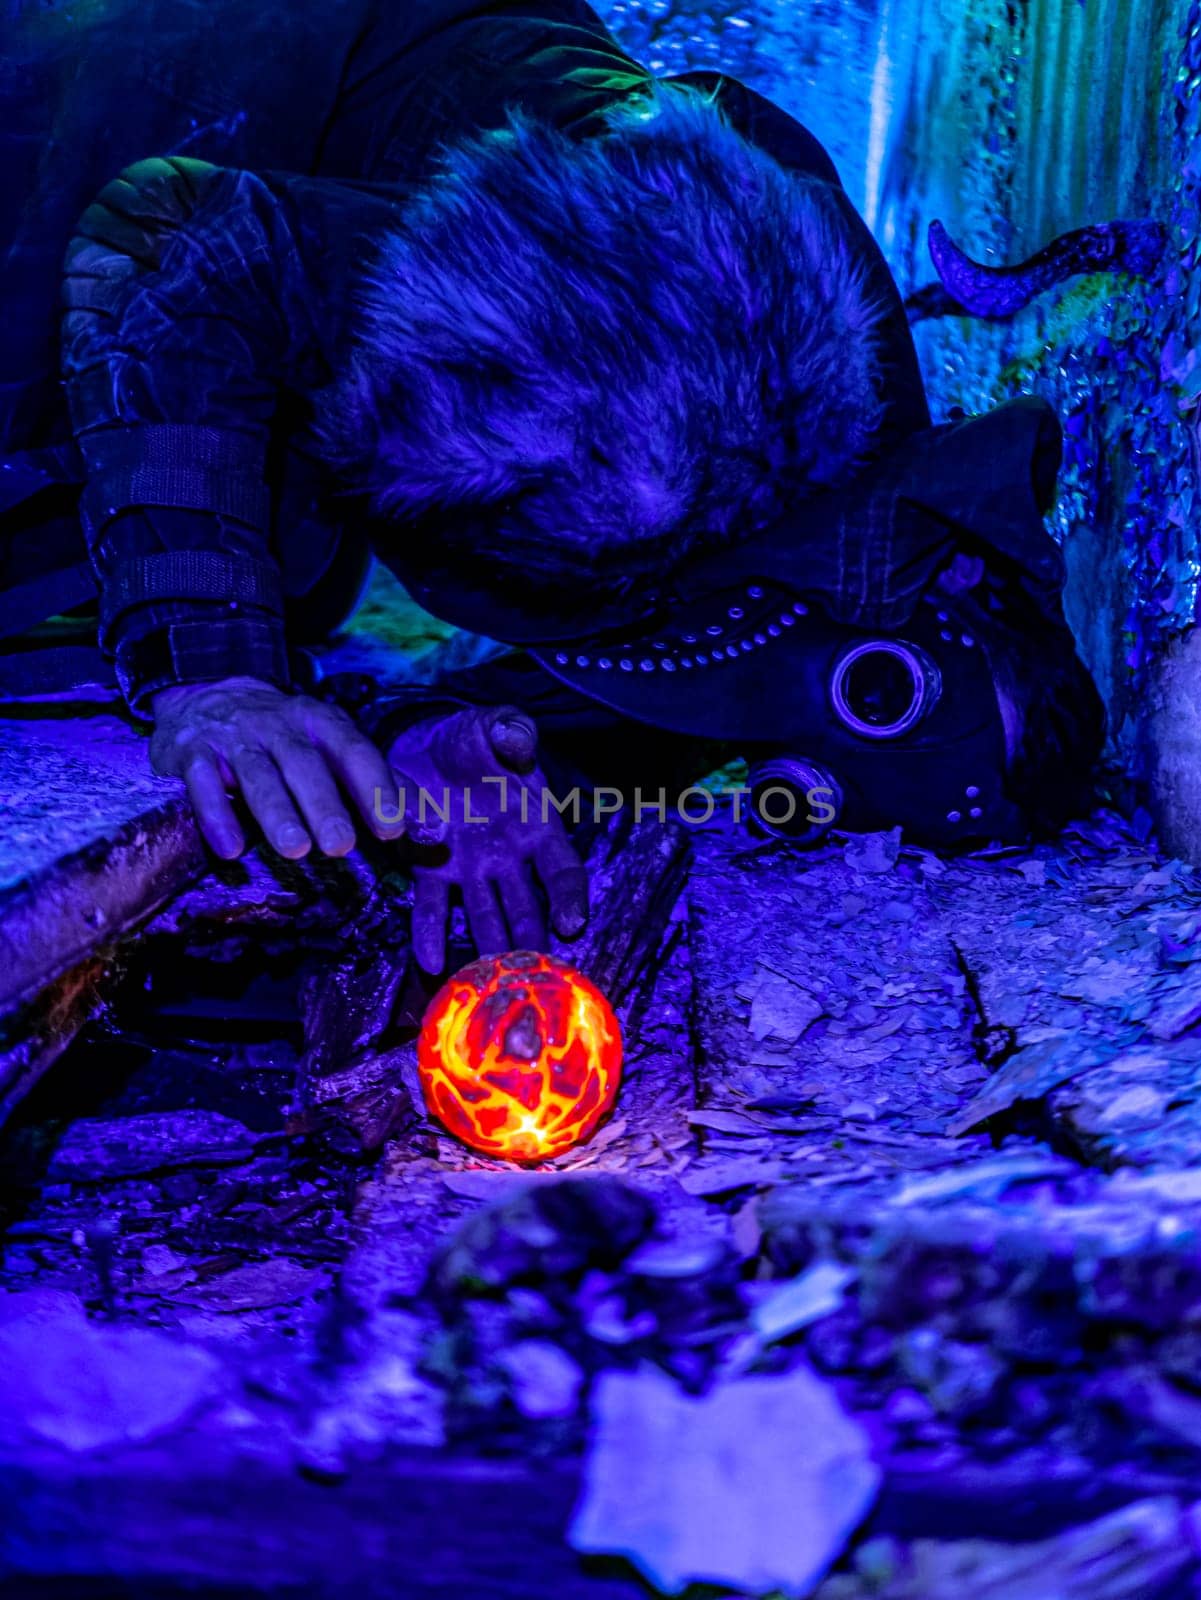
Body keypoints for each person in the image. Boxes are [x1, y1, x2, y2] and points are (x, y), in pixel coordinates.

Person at [1, 0, 1103, 972]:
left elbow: (599, 708)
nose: (807, 751)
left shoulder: (785, 585)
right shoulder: (687, 404)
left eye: (817, 790)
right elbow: (174, 247)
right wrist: (216, 677)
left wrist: (437, 739)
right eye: (880, 696)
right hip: (177, 92)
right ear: (950, 573)